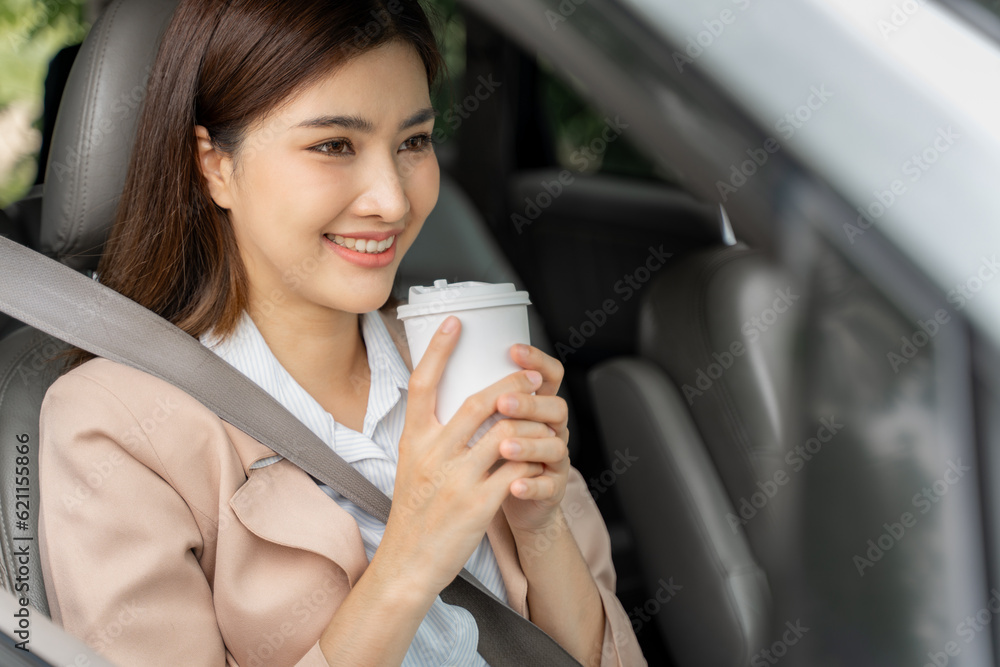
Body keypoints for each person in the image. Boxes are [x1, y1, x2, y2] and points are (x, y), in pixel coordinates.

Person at [37, 0, 646, 665]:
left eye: (414, 141)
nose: (392, 198)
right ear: (215, 164)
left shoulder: (464, 357)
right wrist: (409, 560)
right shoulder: (116, 424)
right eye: (333, 145)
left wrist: (543, 529)